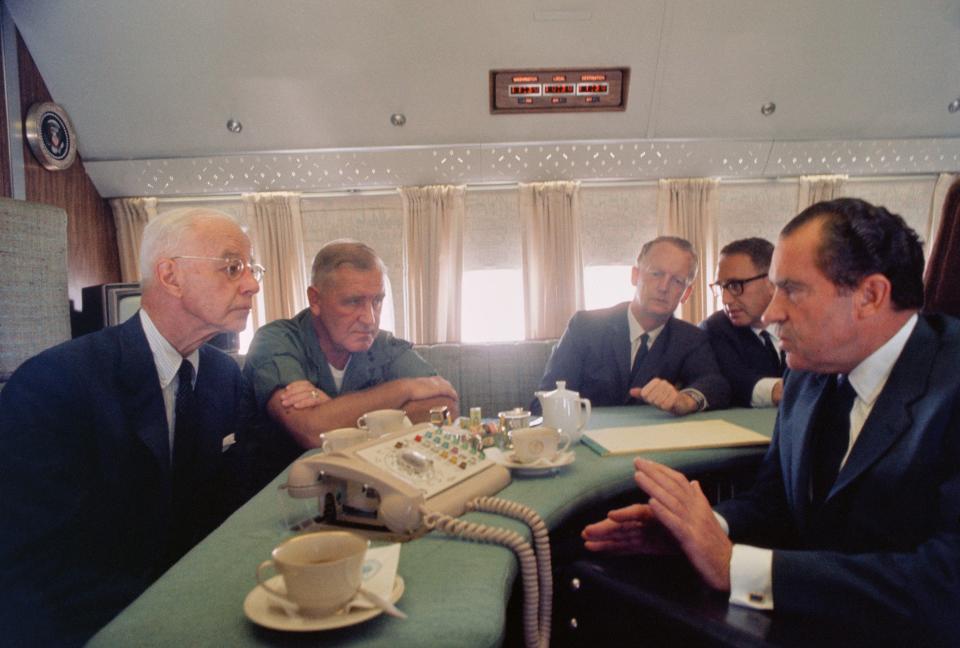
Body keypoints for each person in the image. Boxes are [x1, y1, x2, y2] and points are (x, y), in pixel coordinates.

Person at [582, 198, 960, 644]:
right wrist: (698, 531)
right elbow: (774, 505)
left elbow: (946, 584)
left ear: (870, 296)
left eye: (792, 290)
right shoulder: (805, 375)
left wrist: (733, 566)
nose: (771, 313)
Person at [0, 207, 262, 646]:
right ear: (171, 276)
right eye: (233, 267)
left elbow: (220, 504)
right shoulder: (54, 384)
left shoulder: (222, 376)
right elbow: (30, 569)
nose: (252, 284)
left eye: (252, 269)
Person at [238, 239, 458, 492]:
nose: (370, 318)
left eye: (377, 301)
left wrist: (332, 414)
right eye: (353, 302)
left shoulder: (383, 344)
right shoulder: (277, 340)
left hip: (366, 491)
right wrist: (403, 391)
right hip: (276, 499)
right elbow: (310, 431)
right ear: (315, 300)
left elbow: (445, 406)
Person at [534, 236, 729, 415]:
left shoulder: (690, 338)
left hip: (652, 445)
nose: (663, 287)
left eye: (677, 281)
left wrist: (685, 399)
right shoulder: (585, 327)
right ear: (635, 276)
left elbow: (714, 384)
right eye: (656, 274)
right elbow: (546, 398)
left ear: (686, 293)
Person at [700, 238, 784, 407]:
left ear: (772, 282)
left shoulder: (804, 323)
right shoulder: (715, 329)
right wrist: (780, 390)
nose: (725, 299)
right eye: (721, 287)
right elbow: (733, 382)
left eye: (735, 285)